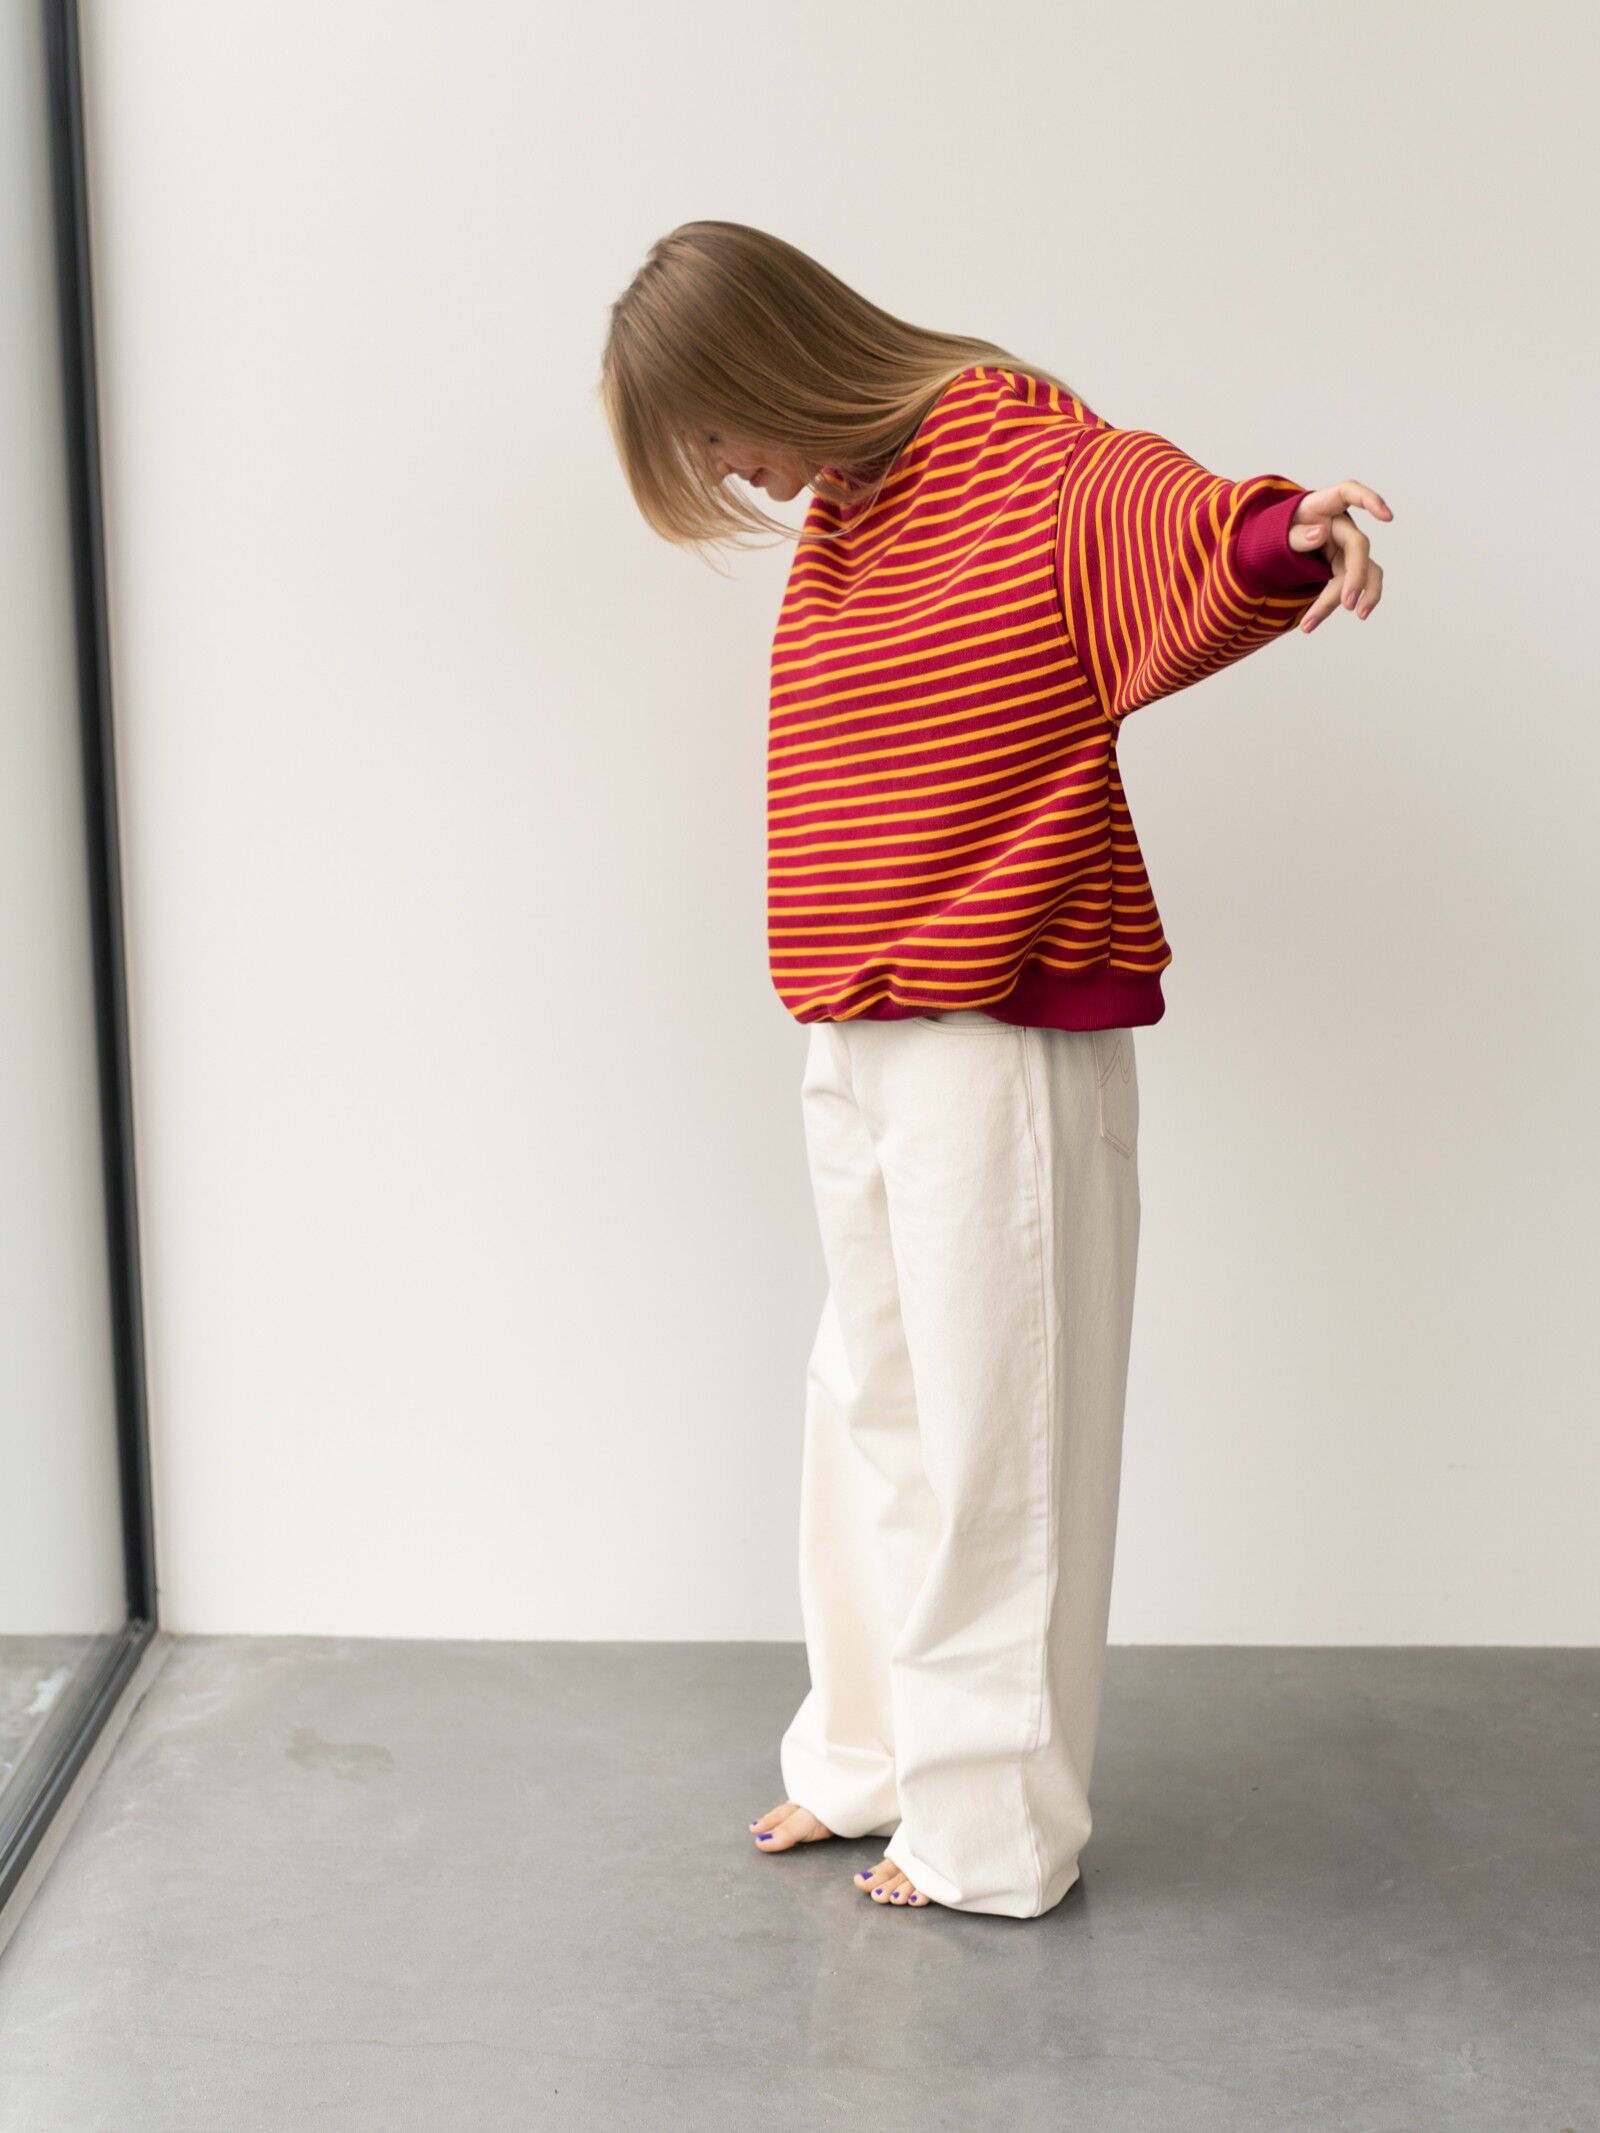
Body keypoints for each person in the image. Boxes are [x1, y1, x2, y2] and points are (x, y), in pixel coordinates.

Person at [598, 220, 1390, 1919]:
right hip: (858, 1024)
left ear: (770, 364)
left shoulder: (1007, 447)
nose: (730, 475)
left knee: (997, 1438)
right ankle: (871, 1757)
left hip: (998, 1017)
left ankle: (991, 1830)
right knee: (870, 1407)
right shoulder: (854, 510)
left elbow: (1151, 516)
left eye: (717, 432)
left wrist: (1279, 532)